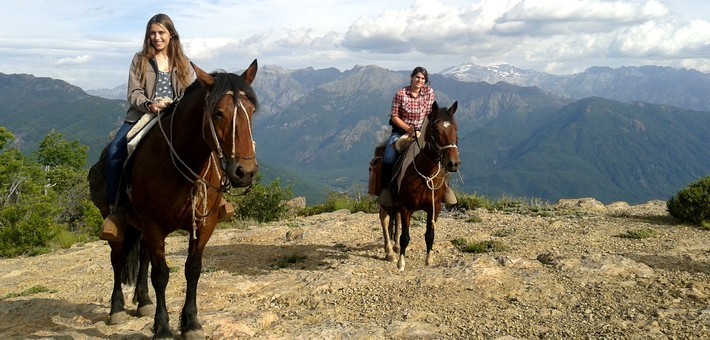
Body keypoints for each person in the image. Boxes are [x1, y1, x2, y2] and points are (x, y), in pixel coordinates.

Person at [99, 14, 203, 241]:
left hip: (174, 116)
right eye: (152, 33)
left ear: (171, 34)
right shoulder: (140, 60)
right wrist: (150, 105)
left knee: (206, 145)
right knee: (115, 153)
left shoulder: (183, 62)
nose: (156, 38)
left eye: (161, 33)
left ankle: (216, 200)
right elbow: (133, 92)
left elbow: (189, 93)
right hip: (143, 114)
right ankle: (115, 213)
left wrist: (177, 106)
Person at [379, 66, 457, 206]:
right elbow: (395, 116)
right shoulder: (401, 94)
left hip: (422, 131)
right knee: (389, 156)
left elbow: (430, 113)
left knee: (440, 151)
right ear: (412, 77)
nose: (419, 80)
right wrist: (408, 129)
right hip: (402, 131)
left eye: (422, 78)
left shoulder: (428, 92)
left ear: (425, 81)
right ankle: (387, 189)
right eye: (417, 77)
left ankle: (445, 186)